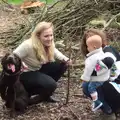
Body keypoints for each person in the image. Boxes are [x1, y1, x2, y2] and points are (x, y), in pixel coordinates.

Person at [13, 21, 72, 105]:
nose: (50, 38)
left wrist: (66, 59)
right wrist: (21, 63)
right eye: (46, 36)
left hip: (37, 69)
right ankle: (31, 100)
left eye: (51, 35)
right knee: (51, 84)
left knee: (62, 65)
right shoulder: (28, 45)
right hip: (25, 74)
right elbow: (13, 57)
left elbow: (55, 52)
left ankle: (46, 93)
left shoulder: (49, 42)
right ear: (38, 36)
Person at [80, 28, 120, 115]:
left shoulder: (107, 50)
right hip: (111, 83)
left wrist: (93, 73)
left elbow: (109, 61)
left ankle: (110, 109)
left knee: (88, 85)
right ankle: (108, 108)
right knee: (87, 85)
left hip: (116, 83)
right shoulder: (94, 54)